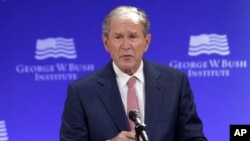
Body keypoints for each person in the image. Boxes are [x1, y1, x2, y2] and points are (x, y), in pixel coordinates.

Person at [60, 5, 207, 141]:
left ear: (146, 42)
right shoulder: (81, 92)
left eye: (133, 37)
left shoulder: (175, 83)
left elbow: (194, 138)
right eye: (118, 37)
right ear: (106, 43)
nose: (125, 46)